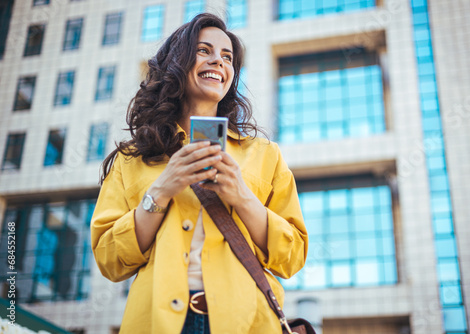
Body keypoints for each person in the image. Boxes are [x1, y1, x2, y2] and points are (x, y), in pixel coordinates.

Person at [91, 13, 308, 334]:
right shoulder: (132, 159)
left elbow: (292, 257)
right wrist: (160, 191)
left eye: (228, 57)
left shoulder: (264, 155)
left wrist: (243, 197)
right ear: (177, 62)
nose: (218, 61)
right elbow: (110, 260)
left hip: (248, 322)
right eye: (204, 50)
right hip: (158, 323)